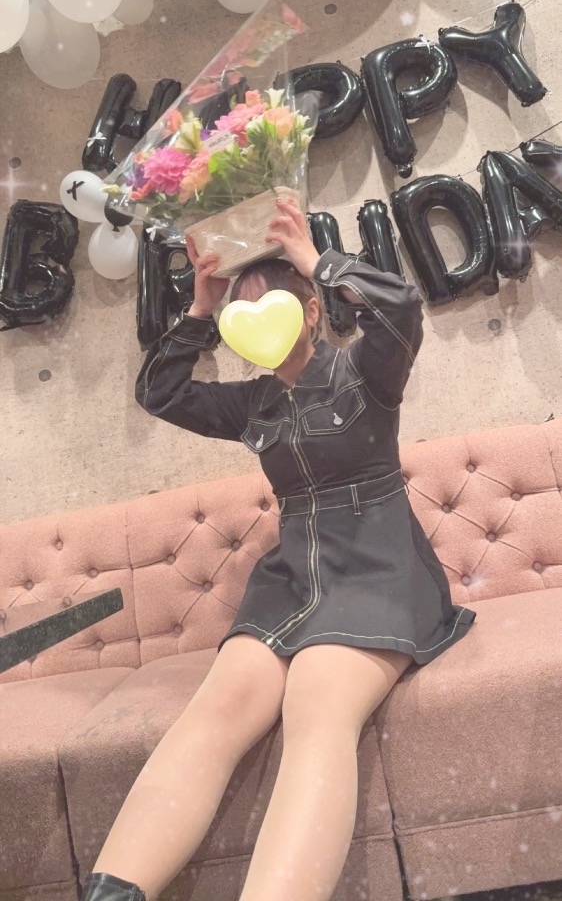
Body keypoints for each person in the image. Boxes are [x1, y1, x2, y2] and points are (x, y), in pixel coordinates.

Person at [82, 199, 476, 901]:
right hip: (290, 579)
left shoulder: (367, 373)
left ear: (314, 311)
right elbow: (158, 393)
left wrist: (314, 260)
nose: (252, 327)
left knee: (317, 703)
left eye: (274, 307)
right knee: (217, 705)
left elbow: (401, 305)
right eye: (240, 319)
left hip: (380, 568)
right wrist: (201, 309)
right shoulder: (251, 405)